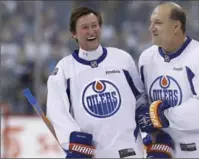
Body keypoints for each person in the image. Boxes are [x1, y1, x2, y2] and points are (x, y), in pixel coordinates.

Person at [46, 6, 173, 158]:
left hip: (131, 152)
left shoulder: (122, 59)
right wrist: (72, 142)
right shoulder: (64, 70)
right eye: (84, 27)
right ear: (74, 34)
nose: (91, 31)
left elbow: (140, 97)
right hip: (95, 155)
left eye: (94, 25)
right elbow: (57, 113)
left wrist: (148, 118)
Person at [136, 2, 199, 158]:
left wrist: (165, 115)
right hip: (173, 152)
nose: (151, 28)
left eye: (158, 23)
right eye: (151, 23)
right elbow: (143, 96)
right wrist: (142, 108)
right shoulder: (146, 59)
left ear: (176, 26)